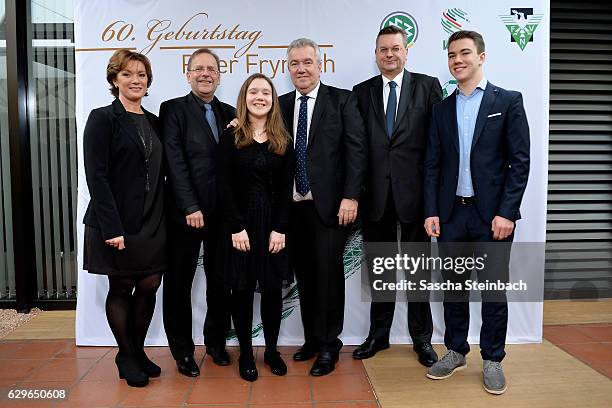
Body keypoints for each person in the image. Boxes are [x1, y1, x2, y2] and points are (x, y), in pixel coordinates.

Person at [423, 30, 530, 395]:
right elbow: (433, 165)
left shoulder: (508, 101)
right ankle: (455, 350)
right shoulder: (441, 109)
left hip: (492, 219)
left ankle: (493, 358)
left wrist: (507, 212)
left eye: (465, 53)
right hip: (452, 215)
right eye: (452, 55)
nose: (457, 60)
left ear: (481, 57)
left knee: (492, 291)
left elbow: (519, 162)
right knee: (453, 289)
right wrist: (432, 211)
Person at [352, 25, 442, 366]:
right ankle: (379, 336)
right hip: (375, 197)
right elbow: (355, 147)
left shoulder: (428, 87)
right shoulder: (361, 92)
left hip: (416, 198)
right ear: (375, 55)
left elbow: (438, 144)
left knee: (419, 273)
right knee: (381, 271)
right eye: (382, 49)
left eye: (395, 48)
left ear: (406, 51)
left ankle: (422, 339)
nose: (389, 54)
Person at [279, 38, 367, 376]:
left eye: (307, 62)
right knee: (304, 277)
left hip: (331, 207)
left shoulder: (342, 100)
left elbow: (356, 151)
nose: (301, 69)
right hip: (293, 210)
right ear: (288, 69)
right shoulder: (282, 104)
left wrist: (351, 196)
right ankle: (313, 340)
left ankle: (330, 345)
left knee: (329, 278)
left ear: (320, 65)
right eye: (294, 64)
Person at [83, 49, 164, 387]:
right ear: (114, 79)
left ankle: (137, 349)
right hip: (115, 221)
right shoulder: (103, 118)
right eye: (128, 74)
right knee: (122, 284)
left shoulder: (155, 121)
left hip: (152, 220)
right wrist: (112, 227)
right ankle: (126, 355)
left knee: (150, 284)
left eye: (141, 75)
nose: (136, 80)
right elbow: (96, 176)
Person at [160, 48, 235, 377]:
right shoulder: (173, 110)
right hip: (184, 214)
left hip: (223, 215)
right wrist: (190, 205)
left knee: (221, 281)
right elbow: (174, 163)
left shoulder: (231, 112)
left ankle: (216, 343)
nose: (206, 74)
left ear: (219, 75)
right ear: (188, 74)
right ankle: (183, 352)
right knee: (179, 284)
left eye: (212, 69)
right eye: (199, 69)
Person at [217, 73, 294, 382]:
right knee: (244, 290)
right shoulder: (231, 137)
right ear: (244, 98)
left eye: (266, 92)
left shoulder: (283, 140)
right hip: (241, 226)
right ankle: (247, 353)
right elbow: (223, 187)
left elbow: (288, 189)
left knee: (273, 291)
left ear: (273, 99)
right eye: (253, 92)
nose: (259, 97)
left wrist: (280, 229)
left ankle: (272, 351)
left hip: (273, 226)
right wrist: (236, 227)